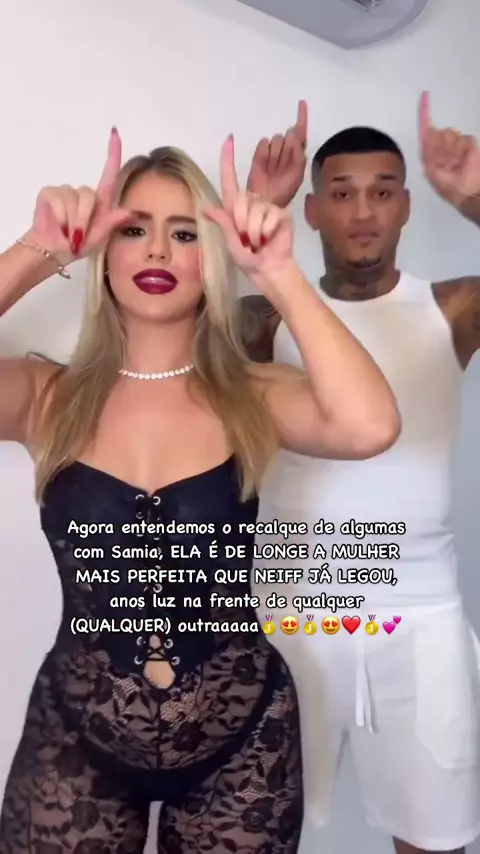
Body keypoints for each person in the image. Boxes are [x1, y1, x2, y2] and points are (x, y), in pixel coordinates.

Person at [0, 127, 400, 854]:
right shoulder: (44, 395)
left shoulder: (253, 394)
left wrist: (275, 272)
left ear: (211, 257)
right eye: (134, 230)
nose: (157, 250)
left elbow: (371, 425)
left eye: (185, 233)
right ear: (103, 253)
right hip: (76, 741)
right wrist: (39, 248)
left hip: (244, 745)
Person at [242, 94, 480, 854]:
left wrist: (474, 197)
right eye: (342, 194)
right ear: (311, 211)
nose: (364, 211)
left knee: (434, 839)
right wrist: (254, 209)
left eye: (383, 191)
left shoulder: (452, 308)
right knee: (246, 829)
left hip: (418, 613)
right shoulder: (264, 317)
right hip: (288, 610)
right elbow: (170, 326)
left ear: (406, 205)